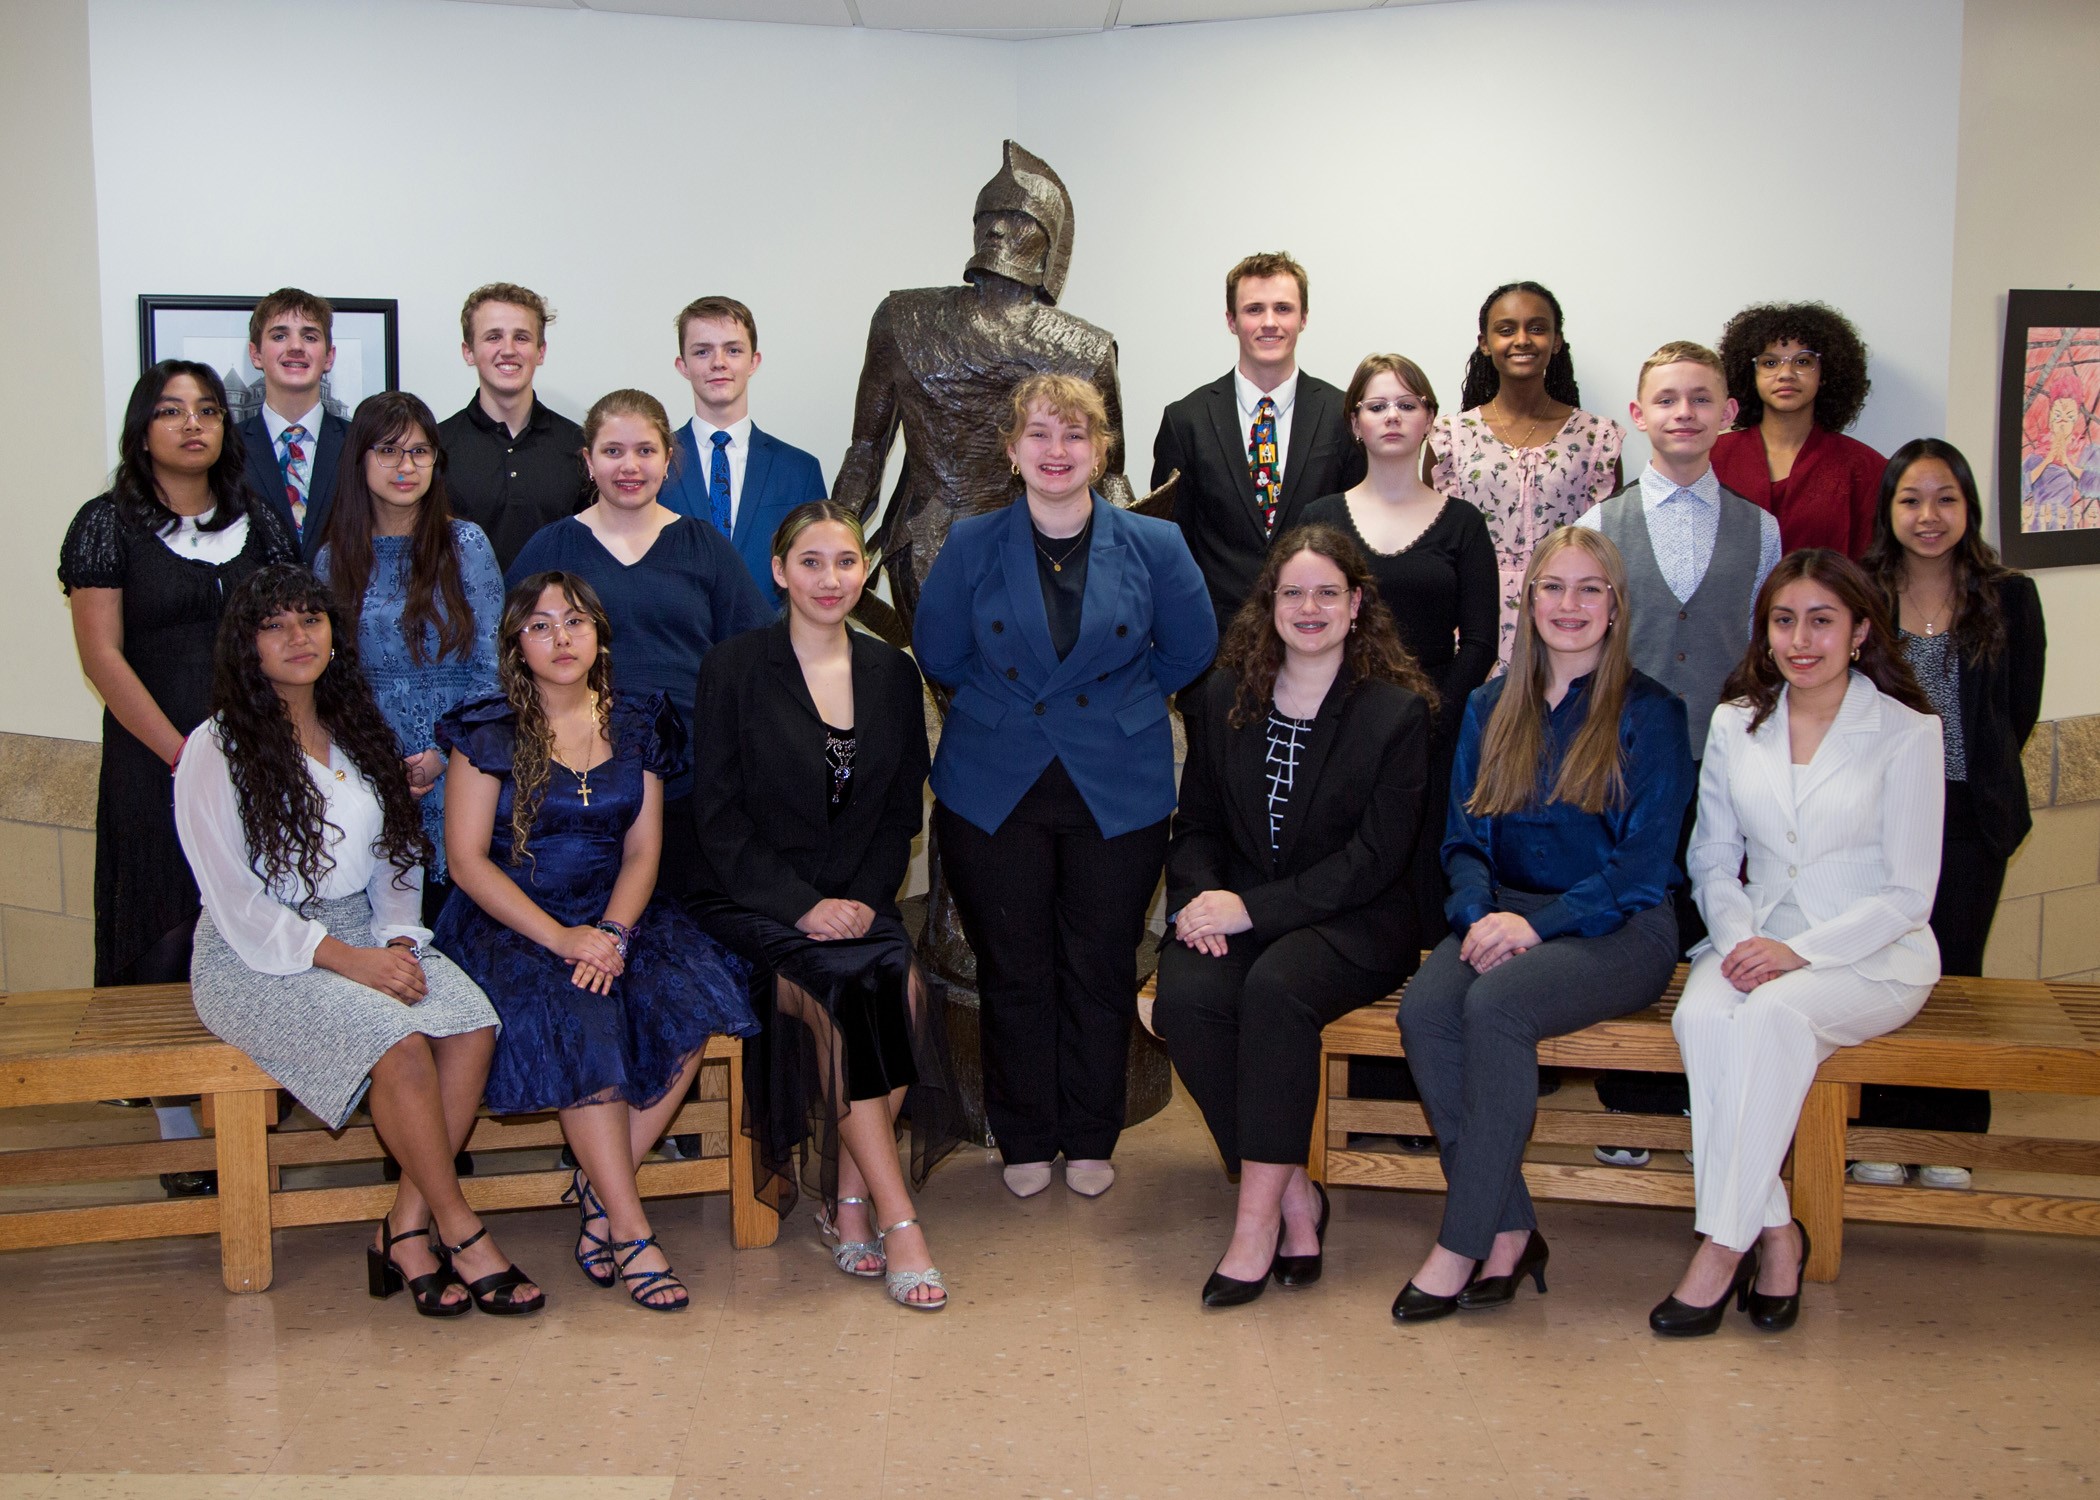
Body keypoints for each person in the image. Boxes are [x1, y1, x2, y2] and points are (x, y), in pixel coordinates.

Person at [173, 564, 538, 1317]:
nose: (297, 637)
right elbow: (234, 897)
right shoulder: (215, 748)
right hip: (259, 952)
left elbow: (396, 852)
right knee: (399, 1048)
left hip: (367, 931)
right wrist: (350, 961)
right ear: (246, 646)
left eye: (310, 618)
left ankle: (404, 1227)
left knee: (470, 1024)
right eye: (274, 625)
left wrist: (400, 941)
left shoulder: (357, 725)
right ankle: (461, 1230)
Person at [915, 373, 1215, 1200]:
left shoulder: (1156, 547)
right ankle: (1024, 1135)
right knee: (1014, 969)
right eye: (1040, 435)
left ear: (1100, 451)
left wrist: (1116, 701)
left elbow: (1192, 650)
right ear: (1012, 452)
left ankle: (1090, 1133)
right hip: (993, 782)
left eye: (1074, 435)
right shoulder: (972, 544)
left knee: (1100, 965)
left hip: (1115, 783)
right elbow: (938, 653)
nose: (1057, 451)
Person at [1392, 526, 1694, 1324]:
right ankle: (1512, 1229)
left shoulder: (1653, 713)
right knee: (1426, 1012)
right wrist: (1480, 915)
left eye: (1590, 589)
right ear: (1528, 605)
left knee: (1497, 1008)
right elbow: (1461, 841)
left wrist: (1539, 927)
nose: (1570, 605)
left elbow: (1642, 868)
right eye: (1553, 588)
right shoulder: (1493, 705)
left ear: (1616, 607)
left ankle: (1459, 1243)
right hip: (1503, 913)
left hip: (1620, 927)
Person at [435, 573, 758, 1312]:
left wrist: (611, 931)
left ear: (600, 636)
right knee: (580, 1020)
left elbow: (644, 850)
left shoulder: (639, 721)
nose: (560, 638)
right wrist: (563, 939)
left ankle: (597, 1192)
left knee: (695, 1000)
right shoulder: (485, 731)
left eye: (575, 622)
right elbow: (466, 862)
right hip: (513, 923)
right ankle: (632, 1229)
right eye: (541, 626)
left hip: (615, 913)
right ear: (516, 643)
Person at [1653, 551, 1941, 1336]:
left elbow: (1910, 895)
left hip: (1871, 955)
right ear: (1765, 633)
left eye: (1822, 620)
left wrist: (1797, 955)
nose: (1801, 639)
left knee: (1774, 1021)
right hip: (1755, 934)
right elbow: (1711, 859)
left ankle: (1721, 1250)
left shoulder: (1907, 732)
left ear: (1860, 633)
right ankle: (1777, 1231)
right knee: (1703, 1020)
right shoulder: (1736, 721)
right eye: (1784, 621)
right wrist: (1744, 937)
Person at [1155, 524, 1433, 1308]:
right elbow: (1198, 822)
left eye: (1327, 592)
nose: (1308, 607)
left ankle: (1253, 1226)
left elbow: (1373, 862)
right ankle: (1294, 1196)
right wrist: (1200, 905)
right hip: (1240, 908)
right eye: (1292, 592)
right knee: (1185, 999)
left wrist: (1248, 909)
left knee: (1275, 991)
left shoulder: (1396, 713)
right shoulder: (1222, 696)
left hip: (1360, 920)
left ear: (1356, 606)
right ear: (1268, 605)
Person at [691, 502, 959, 1311]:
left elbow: (898, 816)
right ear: (779, 571)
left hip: (856, 897)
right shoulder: (733, 669)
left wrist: (856, 901)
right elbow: (720, 821)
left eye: (846, 562)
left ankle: (849, 1202)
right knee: (854, 993)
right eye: (811, 562)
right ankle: (898, 1216)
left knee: (902, 988)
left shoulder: (891, 673)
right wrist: (805, 908)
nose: (830, 579)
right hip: (754, 900)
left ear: (864, 572)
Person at [59, 360, 297, 1198]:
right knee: (165, 925)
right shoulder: (107, 524)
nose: (192, 424)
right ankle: (175, 1124)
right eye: (170, 411)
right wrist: (182, 754)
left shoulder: (261, 522)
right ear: (142, 428)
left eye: (206, 410)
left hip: (258, 763)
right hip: (154, 759)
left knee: (248, 923)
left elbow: (292, 638)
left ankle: (250, 1103)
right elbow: (101, 656)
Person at [1576, 341, 1782, 1151]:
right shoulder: (1601, 524)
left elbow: (1764, 643)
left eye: (1701, 399)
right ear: (1638, 417)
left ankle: (1704, 1088)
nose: (1684, 414)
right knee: (1634, 918)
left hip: (1728, 762)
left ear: (1729, 414)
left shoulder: (1761, 530)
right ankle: (1630, 1102)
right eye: (1666, 400)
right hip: (1628, 759)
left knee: (1711, 923)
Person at [1850, 440, 2047, 1187]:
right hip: (1876, 814)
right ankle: (1876, 1126)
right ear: (1888, 509)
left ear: (1967, 508)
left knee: (1956, 973)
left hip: (1970, 816)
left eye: (1945, 500)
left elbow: (2016, 710)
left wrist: (1965, 780)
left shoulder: (2009, 597)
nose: (1928, 517)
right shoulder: (1862, 589)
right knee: (1879, 968)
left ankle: (1950, 1133)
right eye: (1910, 500)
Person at [507, 389, 771, 906]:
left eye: (646, 451)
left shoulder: (704, 546)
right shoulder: (550, 548)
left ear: (669, 459)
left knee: (688, 930)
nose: (630, 466)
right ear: (588, 461)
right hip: (580, 787)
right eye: (612, 451)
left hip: (691, 780)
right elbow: (512, 655)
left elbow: (753, 657)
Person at [1306, 353, 1496, 934]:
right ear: (1355, 421)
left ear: (1430, 419)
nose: (1392, 416)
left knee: (1421, 889)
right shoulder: (1319, 519)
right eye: (1378, 405)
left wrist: (1428, 717)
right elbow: (1295, 624)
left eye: (1407, 405)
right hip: (1337, 724)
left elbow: (1481, 640)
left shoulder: (1462, 522)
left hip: (1435, 729)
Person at [314, 391, 502, 922]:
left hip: (464, 765)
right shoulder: (333, 559)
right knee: (385, 931)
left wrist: (445, 751)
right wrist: (377, 761)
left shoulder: (465, 543)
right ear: (360, 460)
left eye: (420, 452)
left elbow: (494, 664)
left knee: (456, 925)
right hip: (369, 770)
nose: (406, 466)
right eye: (389, 451)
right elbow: (330, 678)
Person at [1153, 251, 1364, 641]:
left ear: (1303, 318)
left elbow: (1358, 537)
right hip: (1216, 647)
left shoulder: (1345, 414)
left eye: (1283, 308)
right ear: (1232, 321)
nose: (1269, 323)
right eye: (1254, 309)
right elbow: (1171, 547)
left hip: (1321, 640)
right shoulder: (1186, 421)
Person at [1433, 281, 1624, 671]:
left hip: (1567, 621)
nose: (1522, 340)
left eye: (1537, 328)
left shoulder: (1596, 438)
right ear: (1485, 343)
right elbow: (1435, 546)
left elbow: (1605, 550)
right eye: (1506, 330)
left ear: (1556, 341)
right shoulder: (1448, 438)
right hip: (1469, 622)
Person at [658, 296, 828, 598]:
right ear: (682, 366)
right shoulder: (654, 464)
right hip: (679, 640)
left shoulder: (799, 470)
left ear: (753, 362)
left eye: (733, 350)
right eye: (702, 351)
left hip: (771, 640)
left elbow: (815, 571)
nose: (718, 362)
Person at [436, 283, 589, 572]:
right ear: (468, 352)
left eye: (521, 337)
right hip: (463, 617)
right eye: (493, 337)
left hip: (554, 615)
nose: (508, 350)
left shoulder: (579, 446)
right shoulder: (437, 447)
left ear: (540, 352)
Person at [1712, 302, 1884, 557]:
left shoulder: (1864, 468)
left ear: (1825, 373)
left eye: (1802, 361)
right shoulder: (1711, 457)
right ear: (1751, 374)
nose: (1786, 374)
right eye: (1770, 363)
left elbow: (1872, 566)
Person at [234, 288, 351, 558]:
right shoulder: (227, 448)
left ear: (329, 357)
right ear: (256, 354)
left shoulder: (360, 444)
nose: (296, 347)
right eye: (279, 336)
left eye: (309, 336)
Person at [2019, 372, 2100, 532]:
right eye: (2057, 416)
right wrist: (2047, 460)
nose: (2062, 421)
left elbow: (2096, 486)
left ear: (2076, 417)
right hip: (2037, 523)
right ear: (2050, 417)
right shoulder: (2035, 456)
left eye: (2069, 416)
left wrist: (2067, 463)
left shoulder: (2085, 451)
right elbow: (2019, 488)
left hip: (2066, 524)